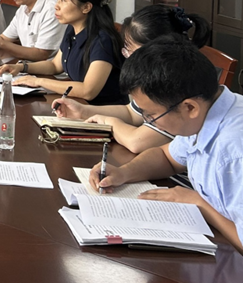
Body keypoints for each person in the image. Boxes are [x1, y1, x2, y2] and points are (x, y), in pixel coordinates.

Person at [89, 38, 242, 253]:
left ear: (190, 108)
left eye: (151, 115)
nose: (149, 122)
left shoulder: (234, 152)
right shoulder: (205, 111)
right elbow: (167, 158)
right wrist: (124, 173)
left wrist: (200, 204)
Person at [53, 6, 211, 153]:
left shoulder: (175, 85)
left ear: (157, 51)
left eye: (130, 49)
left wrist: (109, 122)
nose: (126, 56)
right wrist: (83, 111)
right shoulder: (153, 78)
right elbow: (131, 113)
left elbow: (137, 142)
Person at [0, 0, 125, 106]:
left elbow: (87, 91)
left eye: (63, 0)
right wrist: (21, 67)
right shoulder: (72, 29)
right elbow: (55, 66)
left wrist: (38, 81)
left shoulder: (103, 40)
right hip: (77, 105)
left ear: (86, 7)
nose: (56, 6)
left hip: (102, 111)